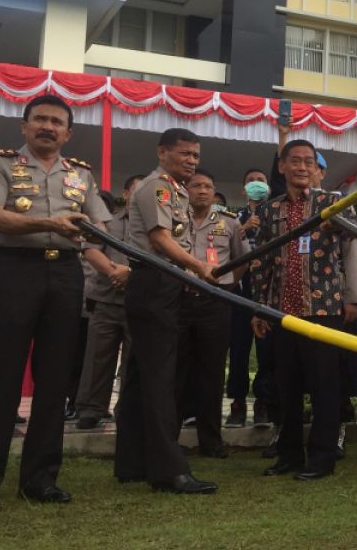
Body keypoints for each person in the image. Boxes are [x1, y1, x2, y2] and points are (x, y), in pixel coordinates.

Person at [0, 95, 112, 511]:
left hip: (65, 274)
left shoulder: (81, 174)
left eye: (56, 121)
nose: (48, 126)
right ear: (24, 127)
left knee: (55, 380)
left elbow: (101, 226)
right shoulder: (0, 164)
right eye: (40, 119)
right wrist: (49, 223)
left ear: (68, 132)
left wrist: (113, 256)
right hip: (14, 271)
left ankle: (40, 479)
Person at [247, 140, 357, 481]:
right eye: (295, 161)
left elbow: (352, 240)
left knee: (325, 385)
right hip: (283, 311)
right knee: (287, 385)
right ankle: (288, 455)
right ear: (281, 167)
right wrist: (259, 308)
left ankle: (322, 457)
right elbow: (263, 262)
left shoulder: (333, 202)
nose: (301, 167)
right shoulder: (270, 211)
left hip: (323, 308)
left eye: (308, 161)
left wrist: (352, 298)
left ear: (315, 168)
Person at [114, 128, 220, 495]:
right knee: (161, 379)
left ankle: (131, 462)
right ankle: (169, 471)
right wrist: (197, 267)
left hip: (163, 282)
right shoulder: (157, 187)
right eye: (185, 154)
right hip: (155, 282)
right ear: (162, 152)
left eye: (196, 155)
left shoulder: (176, 191)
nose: (192, 160)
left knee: (143, 376)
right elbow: (160, 240)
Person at [177, 168, 245, 458]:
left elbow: (242, 259)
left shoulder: (229, 223)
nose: (203, 191)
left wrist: (229, 284)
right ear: (185, 189)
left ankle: (211, 440)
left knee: (212, 370)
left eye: (208, 186)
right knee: (177, 369)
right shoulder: (174, 218)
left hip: (215, 302)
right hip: (178, 299)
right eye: (196, 185)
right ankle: (169, 437)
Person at [75, 177, 140, 430]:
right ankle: (91, 409)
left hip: (139, 301)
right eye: (137, 190)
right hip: (105, 298)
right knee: (97, 356)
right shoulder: (107, 223)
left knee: (133, 360)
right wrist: (115, 272)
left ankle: (127, 408)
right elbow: (91, 250)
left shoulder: (155, 226)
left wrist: (131, 275)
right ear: (126, 193)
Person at [227, 168, 275, 429]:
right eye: (251, 181)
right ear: (243, 189)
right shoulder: (232, 218)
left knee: (267, 352)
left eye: (260, 181)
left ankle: (263, 403)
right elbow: (224, 251)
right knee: (238, 350)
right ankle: (237, 402)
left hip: (267, 293)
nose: (256, 184)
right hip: (240, 292)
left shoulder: (276, 215)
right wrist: (243, 229)